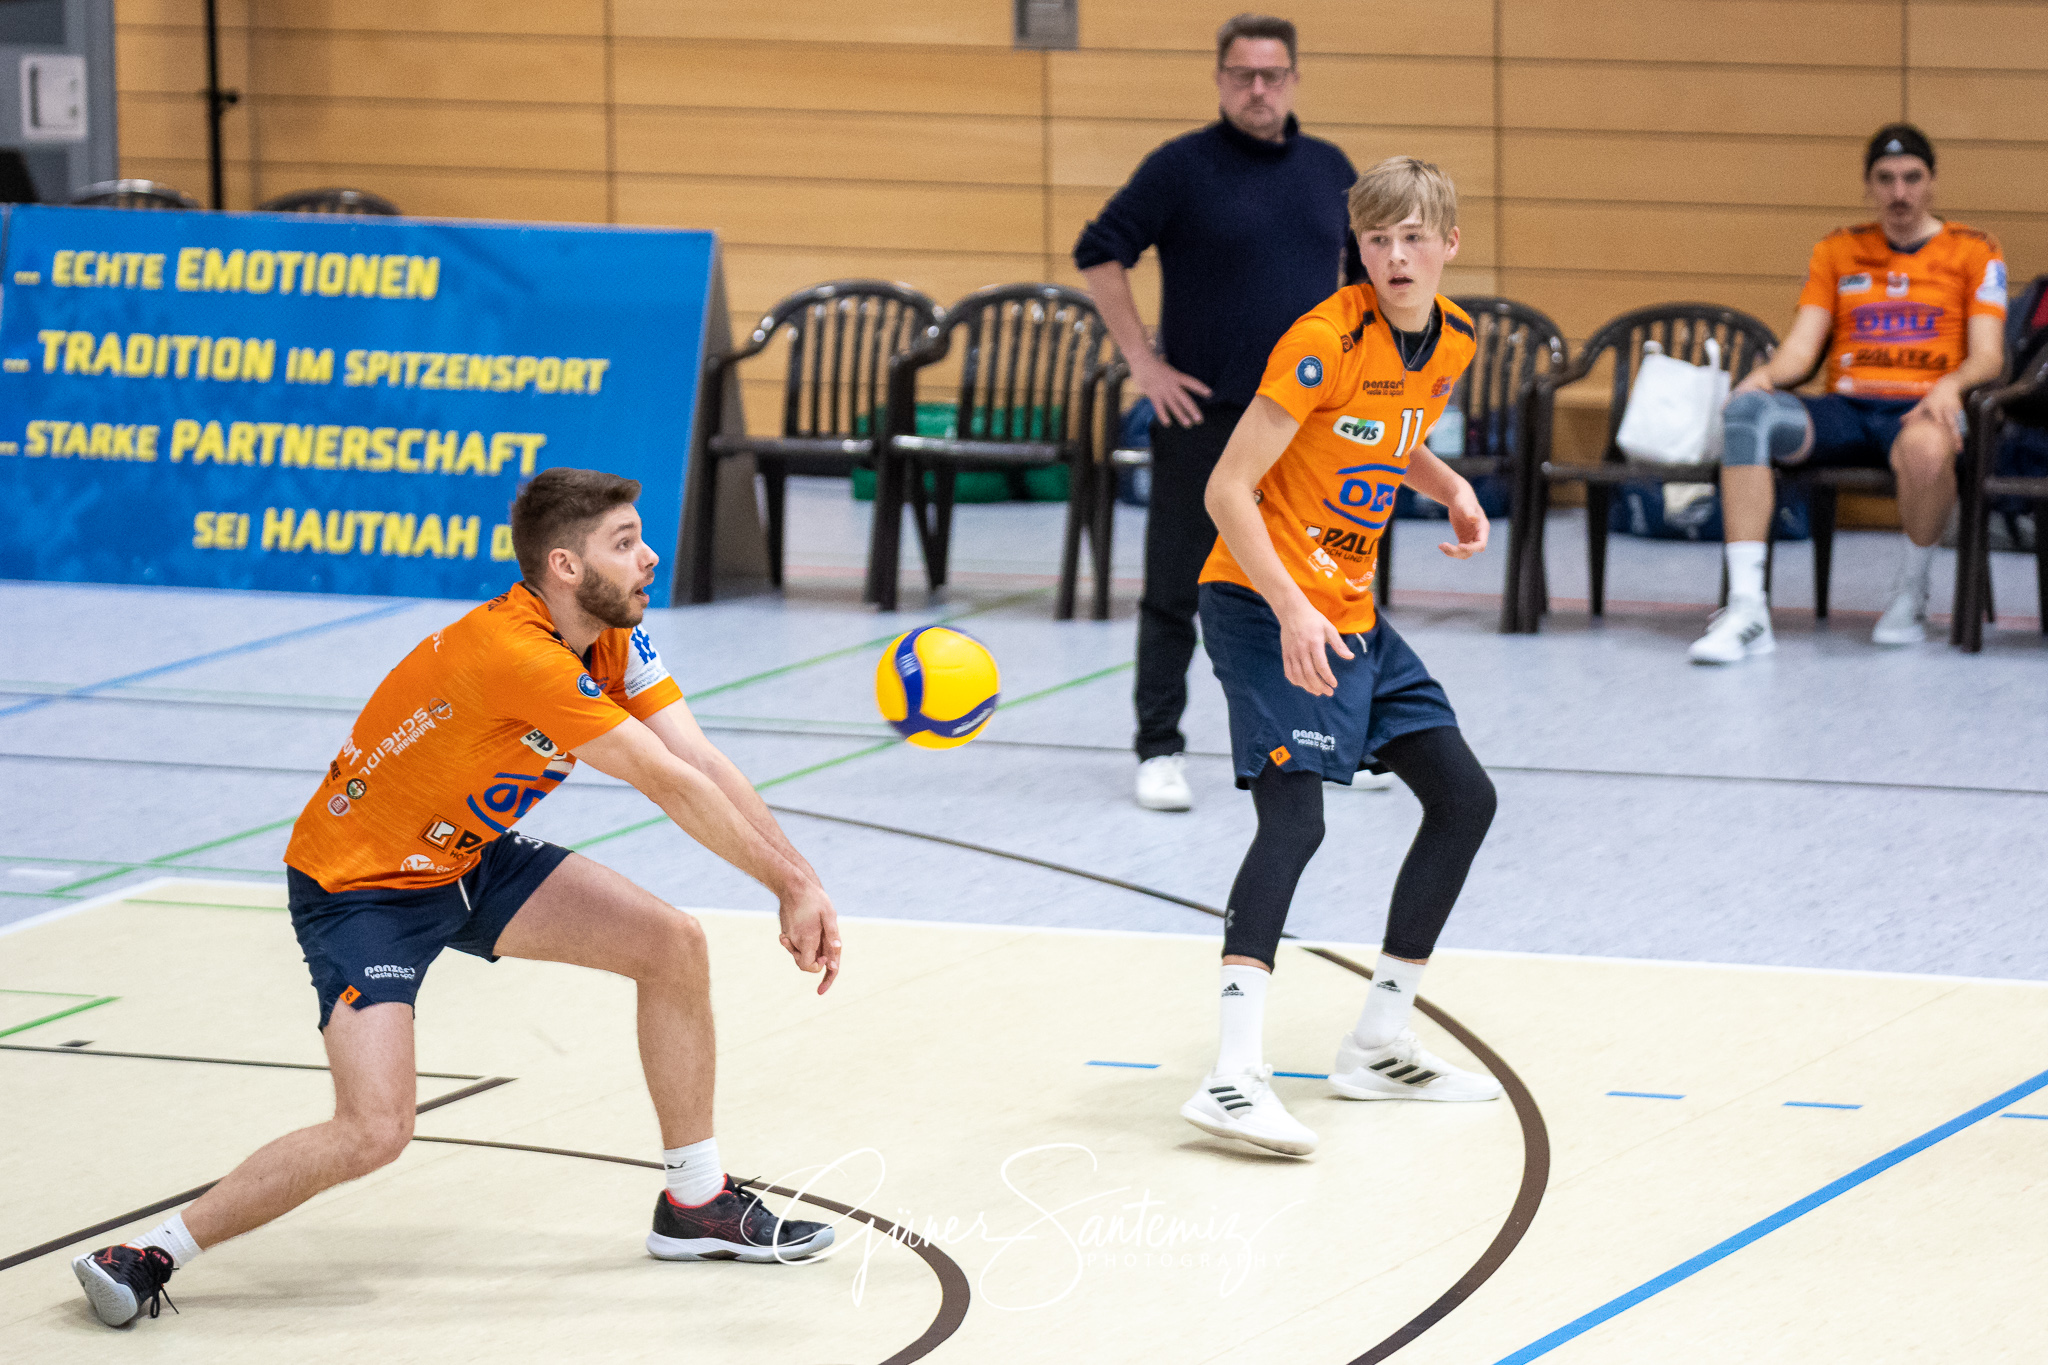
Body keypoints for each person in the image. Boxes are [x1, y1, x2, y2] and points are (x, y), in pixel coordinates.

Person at [73, 468, 845, 1329]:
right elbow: (666, 781)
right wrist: (785, 885)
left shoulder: (614, 636)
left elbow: (697, 758)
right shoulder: (519, 654)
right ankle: (148, 1253)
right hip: (360, 890)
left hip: (466, 858)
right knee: (375, 1128)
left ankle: (695, 1203)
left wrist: (801, 878)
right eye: (624, 543)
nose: (650, 556)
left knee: (672, 944)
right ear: (564, 565)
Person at [1178, 157, 1502, 1157]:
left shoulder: (1453, 338)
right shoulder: (1322, 340)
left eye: (1412, 238)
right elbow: (1226, 489)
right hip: (1260, 603)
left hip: (1349, 610)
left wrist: (1448, 485)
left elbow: (1384, 432)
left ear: (1448, 244)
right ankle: (1232, 1076)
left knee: (1463, 799)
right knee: (1295, 820)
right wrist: (1288, 607)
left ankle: (1378, 1043)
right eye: (1375, 240)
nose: (1394, 256)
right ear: (1356, 248)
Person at [1074, 12, 1364, 812]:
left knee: (1322, 583)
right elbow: (1098, 251)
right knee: (1175, 589)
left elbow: (1361, 276)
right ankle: (1159, 748)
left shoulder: (1330, 169)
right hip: (1203, 420)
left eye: (1272, 75)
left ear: (1294, 79)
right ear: (1220, 79)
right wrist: (1144, 364)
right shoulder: (1180, 168)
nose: (1258, 89)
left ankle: (1336, 736)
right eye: (1243, 75)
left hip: (1305, 425)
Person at [1690, 123, 2008, 663]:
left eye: (1912, 178)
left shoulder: (1975, 251)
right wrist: (1764, 377)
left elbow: (1989, 356)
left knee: (1928, 450)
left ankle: (1910, 594)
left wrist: (1952, 385)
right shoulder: (1837, 250)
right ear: (1868, 186)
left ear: (1932, 182)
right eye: (1885, 179)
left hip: (1919, 410)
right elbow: (1801, 349)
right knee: (1747, 415)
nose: (1899, 192)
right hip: (1844, 409)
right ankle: (1747, 611)